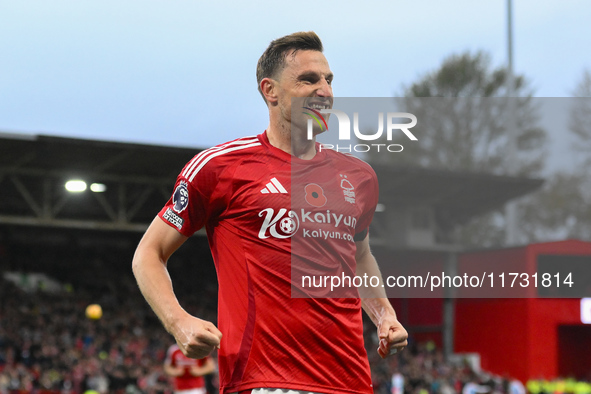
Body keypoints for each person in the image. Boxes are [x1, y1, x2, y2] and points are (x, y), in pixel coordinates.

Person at [132, 31, 408, 394]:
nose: (324, 90)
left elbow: (359, 257)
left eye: (328, 80)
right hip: (264, 379)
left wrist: (385, 315)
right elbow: (148, 254)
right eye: (308, 79)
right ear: (270, 90)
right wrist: (178, 320)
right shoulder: (220, 168)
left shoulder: (359, 177)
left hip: (351, 380)